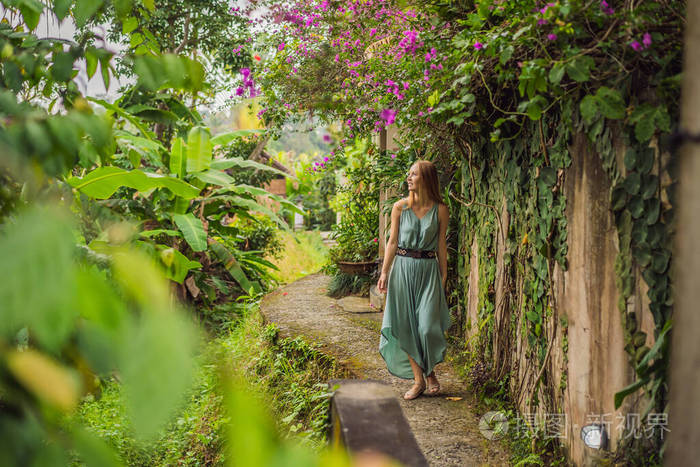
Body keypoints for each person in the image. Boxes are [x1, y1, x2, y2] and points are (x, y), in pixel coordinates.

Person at [377, 159, 450, 400]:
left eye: (414, 174)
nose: (409, 178)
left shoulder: (440, 209)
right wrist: (385, 272)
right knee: (407, 327)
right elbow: (392, 242)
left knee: (427, 327)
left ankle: (428, 372)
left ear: (426, 179)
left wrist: (443, 275)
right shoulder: (399, 207)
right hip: (402, 270)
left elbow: (441, 246)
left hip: (428, 271)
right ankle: (420, 380)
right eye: (409, 174)